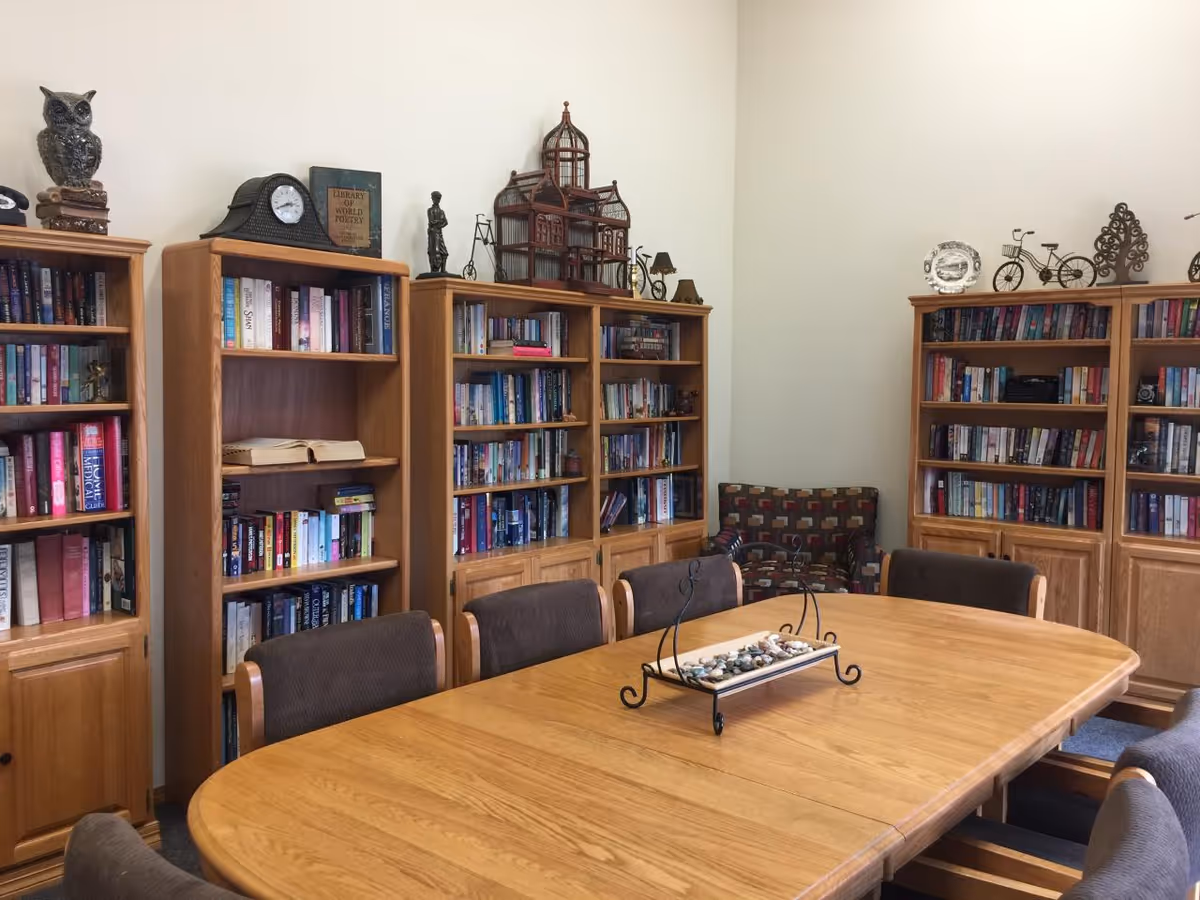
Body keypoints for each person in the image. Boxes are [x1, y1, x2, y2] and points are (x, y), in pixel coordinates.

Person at [427, 191, 448, 274]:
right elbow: (432, 221)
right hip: (433, 233)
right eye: (436, 198)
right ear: (432, 198)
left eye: (439, 198)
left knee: (444, 253)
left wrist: (438, 224)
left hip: (438, 233)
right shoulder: (430, 210)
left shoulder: (441, 211)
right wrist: (439, 222)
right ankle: (434, 270)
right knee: (434, 252)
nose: (438, 200)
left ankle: (443, 270)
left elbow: (445, 222)